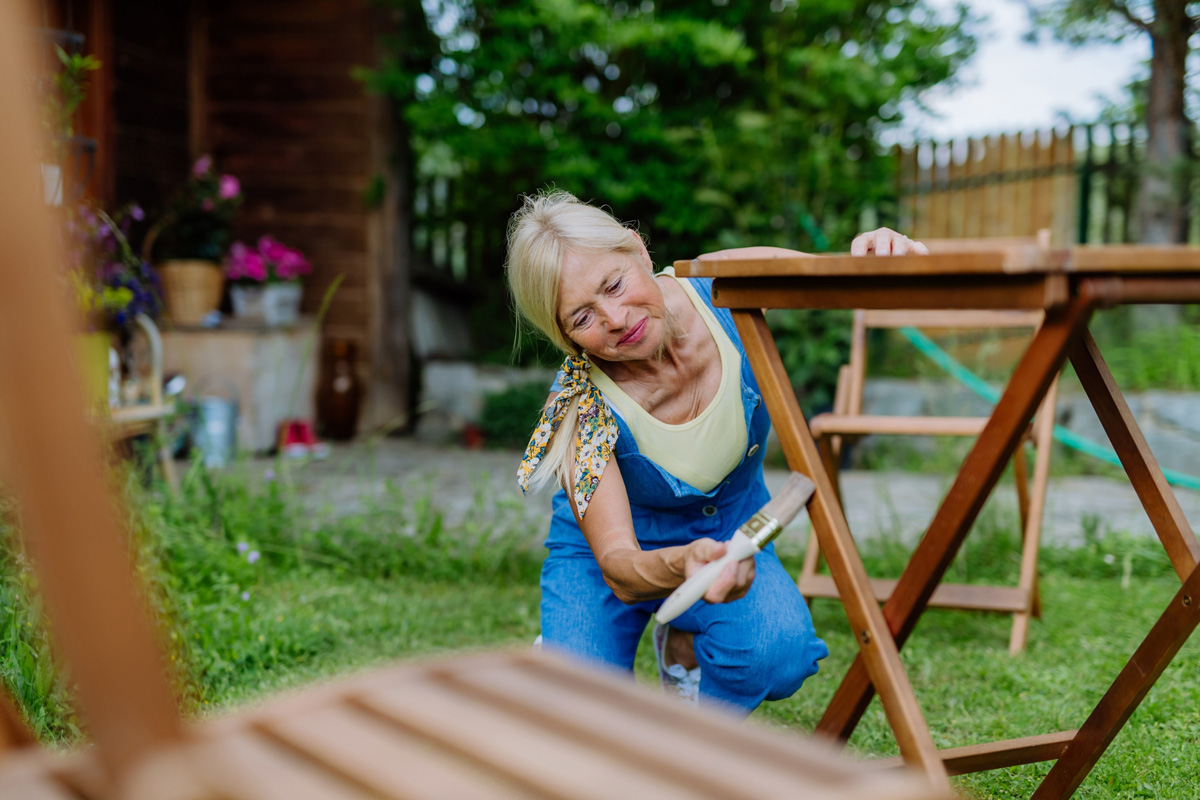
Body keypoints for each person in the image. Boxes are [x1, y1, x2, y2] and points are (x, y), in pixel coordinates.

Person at [509, 190, 927, 714]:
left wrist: (879, 250)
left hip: (729, 530)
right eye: (582, 317)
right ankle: (570, 659)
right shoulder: (578, 405)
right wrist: (685, 563)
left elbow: (840, 273)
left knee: (777, 653)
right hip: (606, 554)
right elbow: (618, 563)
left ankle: (689, 683)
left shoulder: (724, 287)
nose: (615, 318)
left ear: (638, 251)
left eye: (614, 284)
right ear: (563, 335)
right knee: (579, 717)